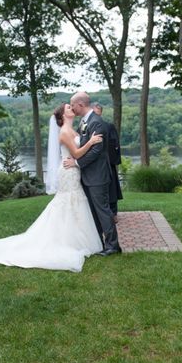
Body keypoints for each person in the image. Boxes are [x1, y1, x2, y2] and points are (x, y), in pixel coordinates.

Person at [0, 104, 104, 272]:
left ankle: (77, 239)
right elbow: (76, 154)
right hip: (69, 172)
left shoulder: (73, 130)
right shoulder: (64, 132)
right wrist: (90, 142)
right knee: (68, 201)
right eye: (68, 108)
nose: (72, 109)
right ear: (63, 116)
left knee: (75, 201)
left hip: (74, 171)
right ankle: (64, 240)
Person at [64, 92, 121, 256]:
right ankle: (99, 243)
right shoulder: (84, 121)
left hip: (97, 176)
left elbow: (96, 151)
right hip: (87, 176)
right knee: (94, 212)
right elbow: (82, 145)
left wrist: (76, 163)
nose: (72, 108)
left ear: (80, 104)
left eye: (72, 105)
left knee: (103, 211)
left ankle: (113, 246)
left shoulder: (97, 122)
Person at [91, 102, 123, 222]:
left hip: (108, 163)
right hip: (94, 163)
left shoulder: (109, 126)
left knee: (112, 188)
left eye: (98, 112)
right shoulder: (89, 125)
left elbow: (115, 145)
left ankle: (113, 213)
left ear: (101, 112)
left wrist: (112, 161)